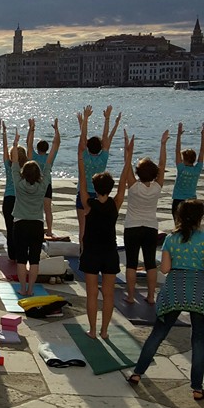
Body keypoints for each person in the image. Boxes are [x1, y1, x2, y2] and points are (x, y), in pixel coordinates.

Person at [129, 199, 204, 401]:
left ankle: (137, 373)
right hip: (199, 290)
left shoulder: (171, 239)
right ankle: (197, 388)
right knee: (199, 340)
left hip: (174, 289)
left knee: (158, 334)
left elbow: (164, 269)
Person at [77, 115, 130, 340]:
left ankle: (92, 330)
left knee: (92, 294)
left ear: (95, 187)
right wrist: (128, 157)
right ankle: (105, 331)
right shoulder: (115, 203)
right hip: (109, 252)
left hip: (91, 252)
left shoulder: (88, 204)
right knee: (108, 295)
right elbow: (124, 180)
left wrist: (81, 160)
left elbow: (82, 178)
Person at [12, 119, 60, 296]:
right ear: (39, 173)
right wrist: (56, 133)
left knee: (21, 259)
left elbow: (14, 161)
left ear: (23, 173)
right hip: (37, 224)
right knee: (34, 260)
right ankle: (31, 289)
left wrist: (16, 143)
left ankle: (22, 288)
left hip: (20, 223)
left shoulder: (18, 183)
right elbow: (51, 156)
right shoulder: (43, 183)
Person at [122, 130, 169, 304]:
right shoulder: (157, 187)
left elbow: (126, 166)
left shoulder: (133, 187)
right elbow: (162, 164)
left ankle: (131, 296)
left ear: (139, 173)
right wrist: (163, 144)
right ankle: (150, 296)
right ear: (154, 174)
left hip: (132, 227)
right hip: (150, 227)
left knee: (131, 263)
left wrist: (128, 150)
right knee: (150, 263)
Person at [76, 105, 122, 244]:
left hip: (83, 193)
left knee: (83, 228)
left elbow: (82, 140)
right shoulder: (103, 158)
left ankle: (83, 251)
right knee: (98, 227)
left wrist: (85, 120)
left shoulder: (83, 156)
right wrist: (107, 119)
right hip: (99, 194)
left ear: (87, 146)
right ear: (100, 147)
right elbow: (106, 138)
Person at [27, 118, 59, 236]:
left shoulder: (33, 157)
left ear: (38, 148)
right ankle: (49, 230)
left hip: (35, 184)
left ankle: (34, 230)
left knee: (34, 209)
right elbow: (57, 144)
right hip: (47, 185)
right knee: (48, 209)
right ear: (46, 149)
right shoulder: (49, 158)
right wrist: (56, 130)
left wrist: (32, 129)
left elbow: (29, 144)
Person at [0, 122, 25, 261]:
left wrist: (4, 133)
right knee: (20, 228)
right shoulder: (25, 168)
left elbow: (4, 148)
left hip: (9, 199)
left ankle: (11, 254)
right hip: (21, 199)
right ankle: (20, 252)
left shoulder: (9, 165)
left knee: (10, 228)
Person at [172, 122, 204, 220]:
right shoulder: (197, 169)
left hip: (178, 200)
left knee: (178, 224)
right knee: (191, 225)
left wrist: (179, 135)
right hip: (192, 201)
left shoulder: (181, 168)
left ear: (184, 159)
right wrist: (203, 135)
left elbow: (177, 151)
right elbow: (202, 151)